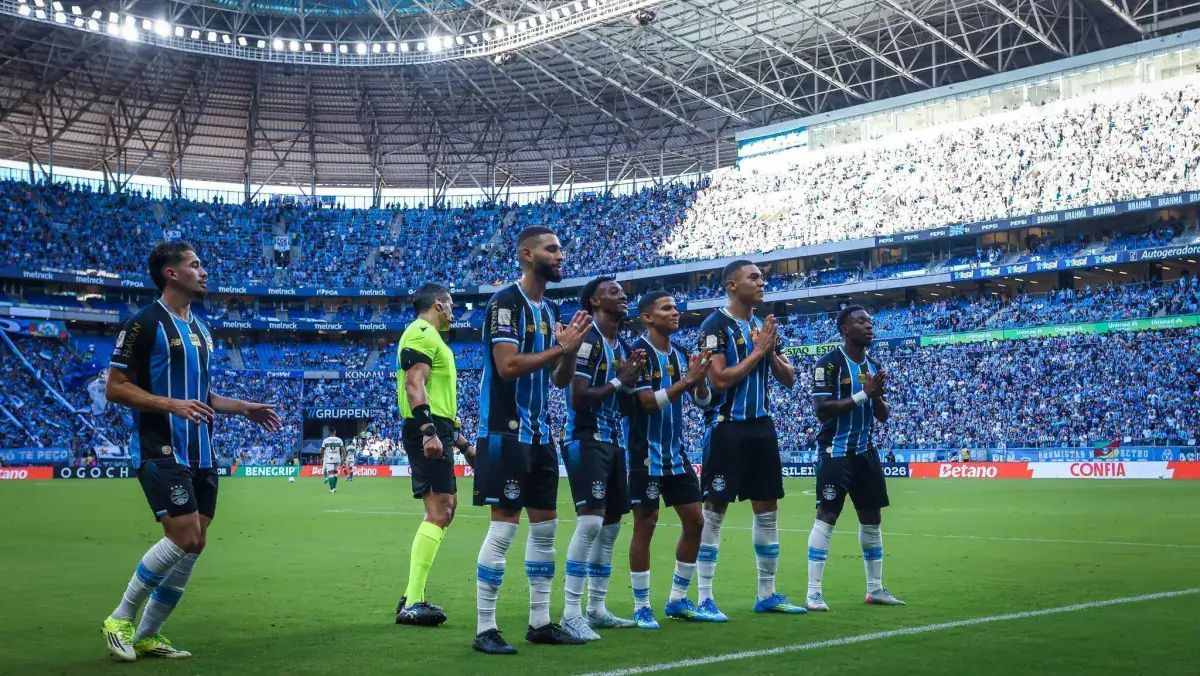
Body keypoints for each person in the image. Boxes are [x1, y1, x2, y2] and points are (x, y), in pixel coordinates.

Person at [101, 241, 282, 661]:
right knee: (182, 535)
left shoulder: (201, 330)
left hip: (201, 451)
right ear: (171, 273)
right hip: (161, 446)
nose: (204, 272)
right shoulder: (143, 323)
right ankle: (120, 618)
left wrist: (243, 407)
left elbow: (201, 395)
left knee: (195, 542)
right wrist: (171, 405)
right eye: (195, 265)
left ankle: (148, 635)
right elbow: (115, 387)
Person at [472, 226, 594, 655]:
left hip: (540, 434)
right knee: (503, 528)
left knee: (546, 529)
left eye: (561, 248)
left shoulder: (549, 309)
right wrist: (560, 348)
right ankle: (485, 628)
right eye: (552, 249)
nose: (561, 255)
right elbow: (507, 366)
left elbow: (559, 379)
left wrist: (570, 351)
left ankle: (540, 622)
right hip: (505, 431)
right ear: (527, 255)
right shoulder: (505, 303)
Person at [695, 260, 804, 620]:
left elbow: (789, 378)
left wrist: (768, 349)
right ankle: (705, 597)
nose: (762, 282)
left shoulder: (764, 327)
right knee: (715, 510)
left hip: (761, 428)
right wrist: (758, 351)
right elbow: (718, 379)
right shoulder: (715, 325)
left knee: (768, 509)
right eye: (753, 277)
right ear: (732, 284)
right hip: (726, 428)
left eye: (762, 277)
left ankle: (767, 594)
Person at [559, 277, 646, 640]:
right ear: (594, 302)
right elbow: (578, 397)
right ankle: (570, 613)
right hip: (586, 438)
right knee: (591, 524)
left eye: (623, 291)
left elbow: (623, 405)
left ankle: (596, 608)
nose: (622, 295)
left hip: (613, 442)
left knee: (610, 528)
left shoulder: (621, 346)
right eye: (612, 291)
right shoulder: (589, 341)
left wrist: (631, 384)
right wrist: (620, 381)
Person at [626, 291, 719, 628]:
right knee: (646, 524)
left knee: (696, 521)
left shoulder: (680, 354)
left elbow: (703, 401)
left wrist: (701, 382)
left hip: (676, 455)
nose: (675, 313)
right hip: (644, 455)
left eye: (676, 308)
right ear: (647, 317)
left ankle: (678, 599)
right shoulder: (637, 353)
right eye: (666, 308)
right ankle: (641, 605)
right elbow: (647, 402)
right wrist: (689, 380)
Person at [806, 305, 905, 611]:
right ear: (845, 329)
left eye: (870, 321)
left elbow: (883, 415)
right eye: (861, 321)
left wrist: (876, 397)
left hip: (866, 453)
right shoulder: (829, 364)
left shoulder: (873, 365)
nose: (869, 325)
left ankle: (875, 589)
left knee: (872, 519)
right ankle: (813, 592)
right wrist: (864, 394)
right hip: (836, 452)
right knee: (827, 516)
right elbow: (822, 410)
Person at [395, 283, 476, 627]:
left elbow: (440, 402)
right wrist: (428, 430)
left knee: (447, 507)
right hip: (426, 427)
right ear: (439, 304)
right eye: (452, 304)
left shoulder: (433, 338)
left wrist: (463, 444)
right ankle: (413, 602)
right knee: (439, 509)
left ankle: (412, 596)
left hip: (437, 427)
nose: (454, 311)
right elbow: (414, 383)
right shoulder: (422, 332)